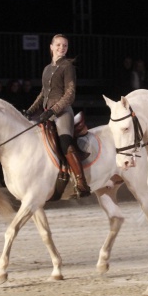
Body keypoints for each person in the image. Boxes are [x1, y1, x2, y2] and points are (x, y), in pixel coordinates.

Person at [25, 34, 91, 198]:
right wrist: (30, 110)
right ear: (51, 47)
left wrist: (53, 110)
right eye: (59, 45)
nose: (62, 48)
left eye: (65, 46)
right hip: (47, 112)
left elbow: (70, 94)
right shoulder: (47, 69)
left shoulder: (67, 66)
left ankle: (81, 183)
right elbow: (43, 94)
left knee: (65, 143)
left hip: (62, 112)